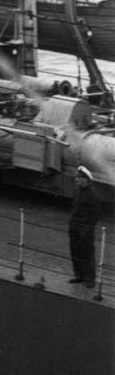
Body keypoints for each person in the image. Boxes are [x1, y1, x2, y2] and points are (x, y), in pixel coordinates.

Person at [68, 105, 115, 288]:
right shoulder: (79, 192)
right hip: (75, 227)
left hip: (85, 229)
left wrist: (86, 227)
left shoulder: (92, 195)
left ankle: (89, 279)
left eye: (79, 179)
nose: (77, 181)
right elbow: (74, 208)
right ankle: (79, 275)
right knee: (76, 252)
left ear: (86, 180)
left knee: (87, 253)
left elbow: (96, 213)